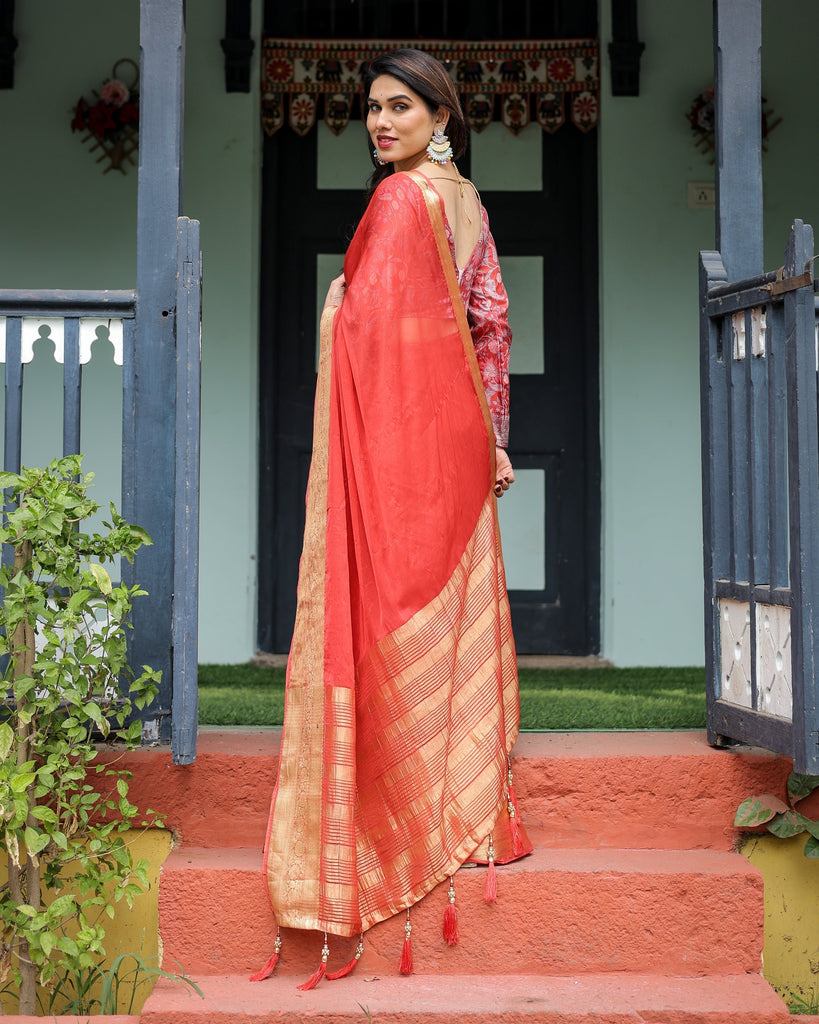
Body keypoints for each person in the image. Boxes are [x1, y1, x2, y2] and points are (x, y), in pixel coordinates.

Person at [252, 47, 531, 989]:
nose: (380, 123)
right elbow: (489, 324)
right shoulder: (468, 205)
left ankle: (386, 823)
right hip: (455, 431)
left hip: (408, 441)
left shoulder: (398, 202)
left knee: (380, 608)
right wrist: (494, 435)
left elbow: (368, 323)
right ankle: (462, 809)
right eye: (371, 108)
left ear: (438, 114)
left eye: (400, 107)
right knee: (428, 610)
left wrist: (335, 311)